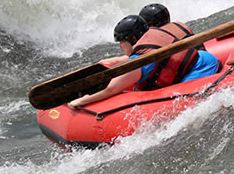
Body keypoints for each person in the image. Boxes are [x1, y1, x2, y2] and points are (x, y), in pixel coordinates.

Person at [67, 11, 220, 109]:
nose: (120, 46)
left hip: (201, 68)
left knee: (186, 105)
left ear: (132, 39)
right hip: (204, 59)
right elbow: (125, 59)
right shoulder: (150, 43)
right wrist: (104, 63)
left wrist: (81, 101)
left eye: (121, 41)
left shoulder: (139, 62)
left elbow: (111, 90)